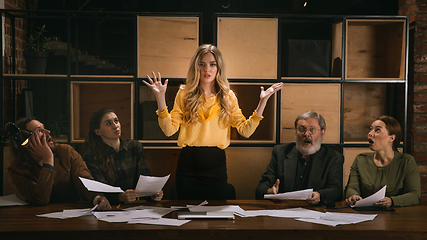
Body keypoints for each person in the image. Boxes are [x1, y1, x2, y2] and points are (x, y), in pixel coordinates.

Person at [143, 44, 283, 200]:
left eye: (212, 64)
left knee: (215, 216)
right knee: (186, 215)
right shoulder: (184, 93)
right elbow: (169, 130)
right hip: (188, 163)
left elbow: (246, 131)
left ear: (219, 67)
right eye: (201, 64)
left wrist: (262, 102)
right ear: (196, 67)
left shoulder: (228, 96)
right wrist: (160, 98)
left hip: (216, 164)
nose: (206, 69)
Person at [7, 117, 111, 210]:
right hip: (37, 219)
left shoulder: (66, 152)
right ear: (25, 141)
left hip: (72, 213)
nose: (47, 132)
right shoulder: (17, 169)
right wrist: (48, 160)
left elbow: (84, 180)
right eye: (39, 130)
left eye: (44, 128)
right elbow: (39, 199)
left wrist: (96, 197)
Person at [256, 111, 344, 205]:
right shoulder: (280, 152)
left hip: (314, 212)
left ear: (322, 133)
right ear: (296, 132)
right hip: (284, 210)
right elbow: (261, 187)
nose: (306, 134)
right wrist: (269, 191)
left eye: (312, 130)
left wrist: (319, 195)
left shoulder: (333, 157)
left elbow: (336, 190)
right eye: (302, 129)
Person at [82, 107, 163, 204]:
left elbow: (145, 180)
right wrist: (120, 197)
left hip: (135, 208)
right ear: (98, 132)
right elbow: (99, 190)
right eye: (108, 123)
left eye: (116, 121)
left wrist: (153, 193)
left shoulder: (135, 147)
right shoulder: (92, 154)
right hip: (108, 209)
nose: (115, 126)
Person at [345, 116, 421, 207]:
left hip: (396, 216)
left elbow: (414, 195)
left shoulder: (406, 161)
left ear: (391, 138)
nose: (370, 134)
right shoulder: (360, 159)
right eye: (370, 129)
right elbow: (352, 187)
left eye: (377, 130)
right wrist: (353, 196)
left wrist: (392, 201)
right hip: (365, 213)